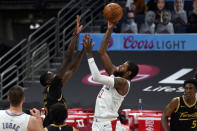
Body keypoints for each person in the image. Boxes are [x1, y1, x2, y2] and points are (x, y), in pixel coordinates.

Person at [82, 21, 139, 130]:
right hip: (98, 122)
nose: (121, 65)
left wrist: (89, 54)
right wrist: (109, 30)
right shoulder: (115, 74)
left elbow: (96, 77)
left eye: (124, 65)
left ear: (128, 73)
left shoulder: (123, 83)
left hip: (109, 125)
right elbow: (102, 52)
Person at [39, 15, 85, 127]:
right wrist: (75, 35)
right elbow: (68, 58)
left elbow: (72, 69)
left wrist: (83, 51)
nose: (55, 75)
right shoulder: (53, 87)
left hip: (52, 124)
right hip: (51, 126)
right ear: (48, 81)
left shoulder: (53, 89)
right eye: (51, 75)